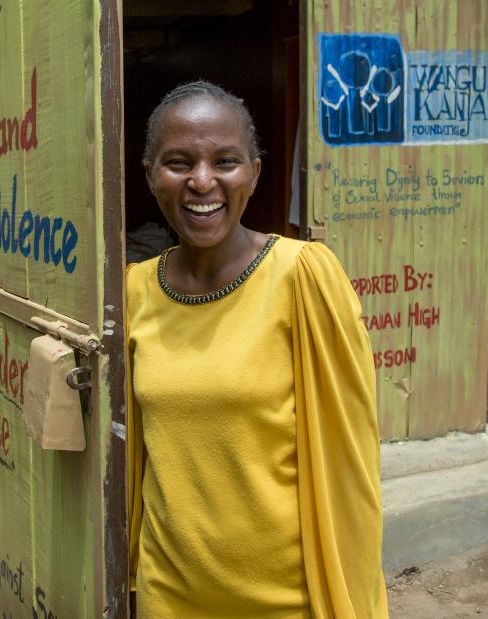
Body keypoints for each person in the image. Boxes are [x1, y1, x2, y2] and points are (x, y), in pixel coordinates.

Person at [126, 80, 387, 618]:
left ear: (255, 173)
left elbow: (350, 460)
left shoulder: (303, 278)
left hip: (285, 598)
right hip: (169, 595)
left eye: (226, 161)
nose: (203, 181)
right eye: (178, 162)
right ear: (151, 174)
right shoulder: (133, 292)